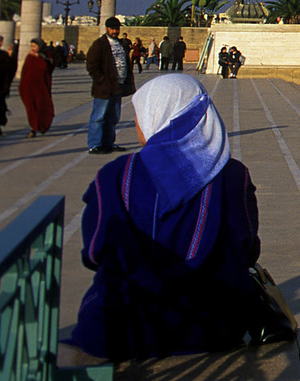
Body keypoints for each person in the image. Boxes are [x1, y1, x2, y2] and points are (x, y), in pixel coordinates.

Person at [68, 73, 263, 360]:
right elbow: (247, 250)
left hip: (121, 328)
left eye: (139, 117)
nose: (137, 125)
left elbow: (95, 252)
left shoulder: (115, 177)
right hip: (211, 327)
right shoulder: (233, 177)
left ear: (156, 118)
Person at [85, 17, 134, 154]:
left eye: (117, 29)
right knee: (99, 116)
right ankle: (95, 144)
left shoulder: (119, 43)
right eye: (112, 29)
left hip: (117, 86)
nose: (115, 31)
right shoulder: (99, 44)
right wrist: (101, 80)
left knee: (113, 117)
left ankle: (108, 142)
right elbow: (91, 65)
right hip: (104, 88)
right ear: (106, 29)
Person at [19, 37, 56, 137]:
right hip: (29, 87)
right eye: (32, 46)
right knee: (31, 108)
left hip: (42, 87)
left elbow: (47, 68)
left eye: (35, 46)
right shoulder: (30, 57)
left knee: (42, 107)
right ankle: (33, 128)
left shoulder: (47, 56)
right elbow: (25, 72)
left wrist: (40, 58)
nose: (33, 49)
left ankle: (43, 125)